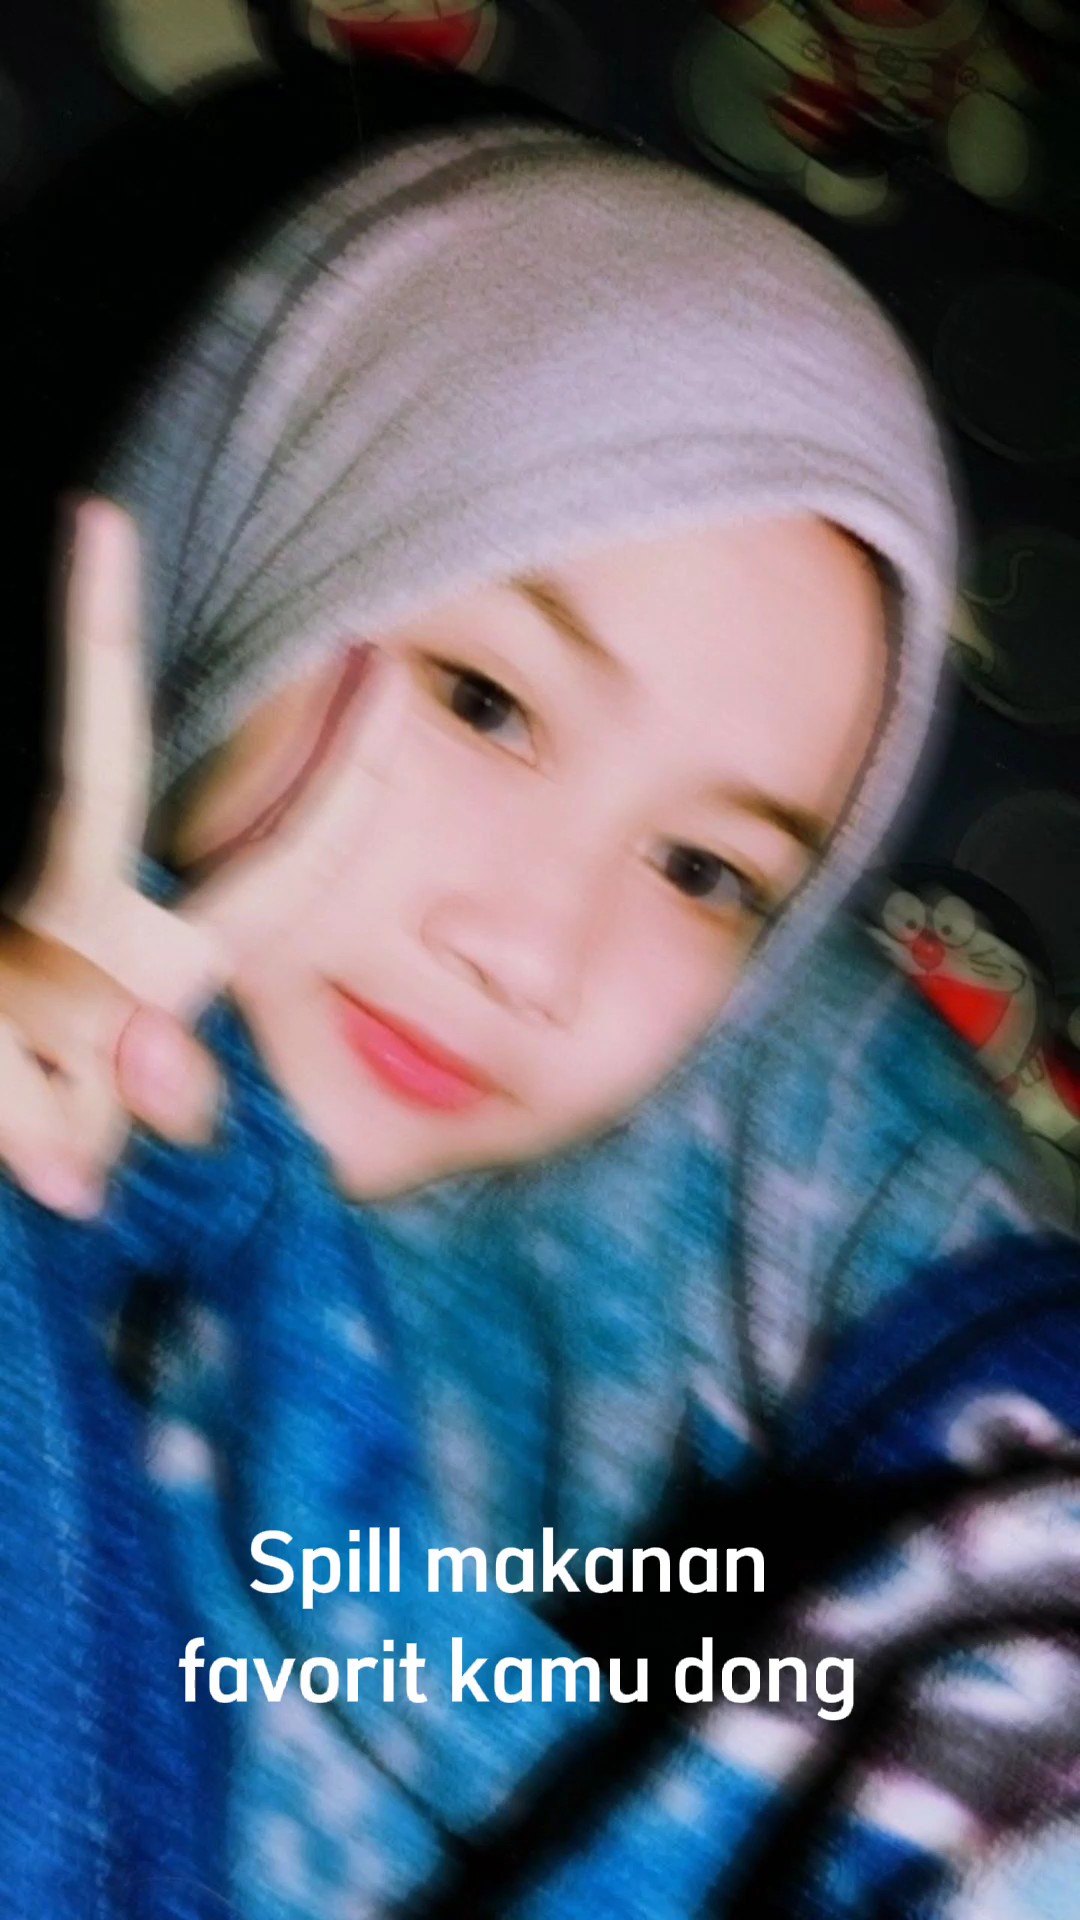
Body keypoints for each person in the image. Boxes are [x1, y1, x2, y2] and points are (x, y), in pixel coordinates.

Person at [0, 119, 1076, 1920]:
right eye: (488, 701)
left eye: (706, 872)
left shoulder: (771, 1169)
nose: (534, 953)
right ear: (246, 550)